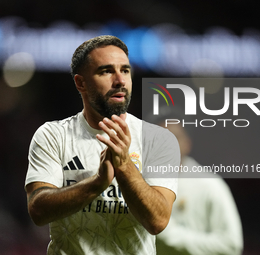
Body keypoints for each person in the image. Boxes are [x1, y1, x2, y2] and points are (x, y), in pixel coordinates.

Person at [24, 35, 181, 255]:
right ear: (81, 83)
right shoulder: (53, 135)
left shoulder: (158, 139)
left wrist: (125, 166)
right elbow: (38, 210)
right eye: (106, 71)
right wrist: (97, 183)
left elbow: (158, 220)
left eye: (125, 70)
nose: (120, 80)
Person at [156, 122, 244, 255]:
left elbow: (231, 244)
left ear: (187, 144)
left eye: (174, 138)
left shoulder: (210, 184)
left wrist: (171, 236)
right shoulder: (141, 183)